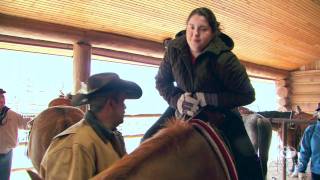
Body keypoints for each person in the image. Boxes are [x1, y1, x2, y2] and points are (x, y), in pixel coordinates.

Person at [141, 7, 263, 180]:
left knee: (249, 164)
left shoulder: (225, 59)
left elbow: (247, 95)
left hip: (222, 113)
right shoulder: (173, 50)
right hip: (183, 107)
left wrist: (207, 99)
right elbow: (161, 81)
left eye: (203, 29)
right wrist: (177, 100)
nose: (195, 34)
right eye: (191, 27)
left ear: (213, 32)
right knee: (147, 141)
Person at [39, 73, 142, 180]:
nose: (124, 106)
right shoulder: (76, 146)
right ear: (111, 103)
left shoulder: (112, 137)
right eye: (122, 101)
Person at [0, 88, 31, 180]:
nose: (1, 99)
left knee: (4, 177)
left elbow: (26, 124)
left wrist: (40, 120)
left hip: (7, 153)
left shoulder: (12, 114)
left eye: (2, 96)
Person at [298, 105, 320, 180]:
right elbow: (305, 151)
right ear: (317, 113)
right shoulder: (311, 130)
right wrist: (301, 170)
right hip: (317, 172)